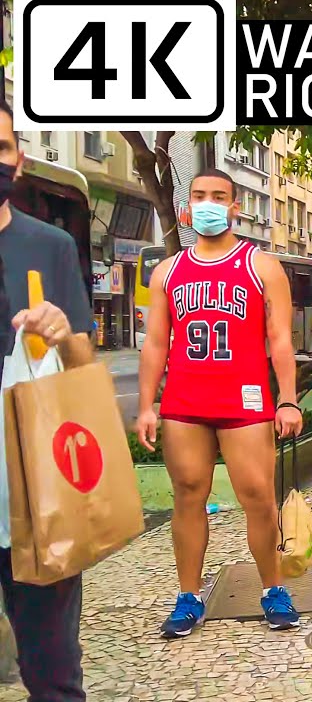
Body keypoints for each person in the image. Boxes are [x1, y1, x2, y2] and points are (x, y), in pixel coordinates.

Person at [135, 169, 304, 639]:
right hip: (185, 401)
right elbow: (154, 343)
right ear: (187, 206)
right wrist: (147, 405)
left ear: (235, 207)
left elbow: (280, 338)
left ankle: (273, 589)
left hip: (245, 399)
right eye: (200, 196)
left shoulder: (261, 264)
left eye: (220, 197)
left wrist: (287, 400)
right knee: (188, 495)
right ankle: (188, 596)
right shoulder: (167, 271)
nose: (208, 204)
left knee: (257, 496)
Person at [0, 100, 94, 700]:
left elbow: (84, 368)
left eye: (0, 149)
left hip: (37, 495)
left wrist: (62, 334)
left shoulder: (51, 246)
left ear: (19, 161)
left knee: (54, 672)